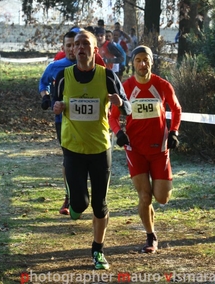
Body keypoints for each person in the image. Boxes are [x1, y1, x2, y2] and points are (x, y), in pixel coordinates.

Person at [53, 30, 131, 270]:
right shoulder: (63, 76)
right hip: (73, 148)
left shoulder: (107, 76)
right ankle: (74, 202)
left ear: (95, 49)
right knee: (80, 203)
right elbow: (55, 104)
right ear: (72, 50)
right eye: (77, 44)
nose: (81, 47)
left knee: (100, 203)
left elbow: (127, 106)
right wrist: (56, 106)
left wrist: (120, 103)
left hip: (99, 149)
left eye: (86, 43)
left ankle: (98, 250)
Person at [109, 45, 182, 254]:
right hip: (135, 149)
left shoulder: (161, 85)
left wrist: (174, 132)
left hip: (159, 149)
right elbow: (113, 116)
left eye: (146, 60)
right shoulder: (125, 87)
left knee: (162, 198)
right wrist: (119, 133)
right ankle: (150, 236)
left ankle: (151, 220)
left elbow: (176, 109)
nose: (142, 64)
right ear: (133, 62)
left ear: (152, 61)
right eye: (138, 60)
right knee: (144, 196)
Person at [39, 30, 77, 215]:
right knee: (69, 159)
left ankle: (84, 195)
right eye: (68, 45)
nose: (72, 49)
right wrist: (45, 98)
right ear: (63, 48)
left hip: (87, 123)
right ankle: (69, 197)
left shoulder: (92, 66)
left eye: (74, 45)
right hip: (62, 120)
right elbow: (43, 84)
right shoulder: (55, 66)